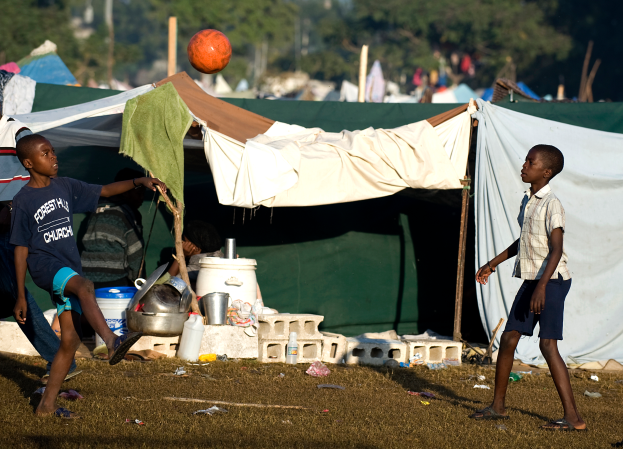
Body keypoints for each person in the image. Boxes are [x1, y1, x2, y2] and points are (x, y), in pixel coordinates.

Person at [11, 134, 167, 418]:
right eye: (46, 154)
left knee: (70, 340)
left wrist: (139, 182)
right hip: (46, 268)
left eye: (53, 151)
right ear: (29, 163)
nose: (53, 156)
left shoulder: (66, 186)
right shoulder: (23, 200)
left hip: (68, 268)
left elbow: (106, 190)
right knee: (85, 285)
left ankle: (45, 407)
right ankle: (112, 342)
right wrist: (21, 294)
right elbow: (20, 249)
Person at [471, 144, 585, 431]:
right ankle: (497, 407)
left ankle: (574, 419)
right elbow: (522, 241)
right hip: (534, 280)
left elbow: (556, 250)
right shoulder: (528, 201)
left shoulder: (551, 204)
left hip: (552, 282)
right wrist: (492, 263)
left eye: (530, 162)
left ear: (546, 172)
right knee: (509, 339)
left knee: (548, 345)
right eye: (525, 160)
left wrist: (542, 287)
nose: (524, 165)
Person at [0, 114, 80, 385]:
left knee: (16, 295)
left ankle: (61, 359)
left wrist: (13, 208)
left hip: (10, 222)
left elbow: (37, 172)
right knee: (10, 294)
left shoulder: (15, 131)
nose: (52, 155)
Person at [80, 167, 147, 288]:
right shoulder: (128, 213)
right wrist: (141, 282)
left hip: (86, 277)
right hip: (115, 279)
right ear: (125, 190)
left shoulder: (95, 209)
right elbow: (136, 253)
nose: (141, 197)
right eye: (139, 193)